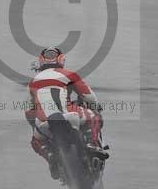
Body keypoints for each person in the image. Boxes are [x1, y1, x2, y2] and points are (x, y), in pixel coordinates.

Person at [25, 46, 107, 180]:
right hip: (71, 114)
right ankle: (93, 143)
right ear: (61, 60)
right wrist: (96, 107)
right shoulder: (68, 74)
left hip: (44, 123)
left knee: (35, 141)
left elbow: (28, 112)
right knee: (95, 117)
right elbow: (89, 97)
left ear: (41, 62)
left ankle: (49, 155)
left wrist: (35, 126)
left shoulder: (32, 83)